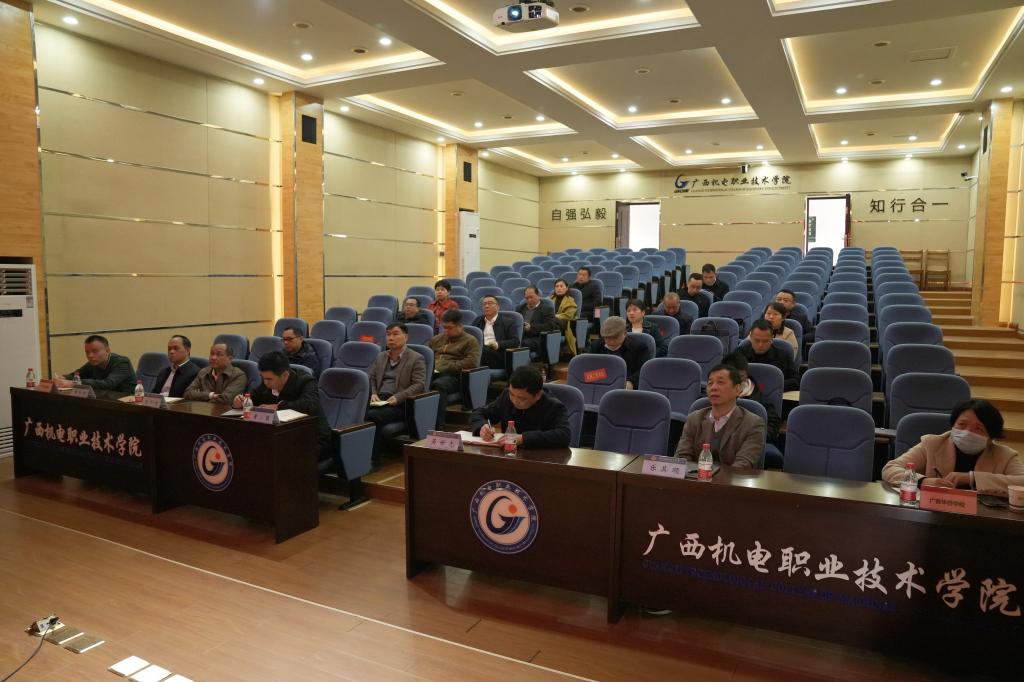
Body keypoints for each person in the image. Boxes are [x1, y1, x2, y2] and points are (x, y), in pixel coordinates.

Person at [882, 400, 1024, 496]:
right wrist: (923, 481)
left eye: (978, 428)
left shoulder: (1005, 455)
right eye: (962, 425)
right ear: (953, 425)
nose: (967, 432)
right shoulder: (932, 444)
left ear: (991, 435)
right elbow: (891, 469)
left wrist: (971, 478)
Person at [235, 351, 329, 459]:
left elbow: (310, 405)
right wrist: (241, 401)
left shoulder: (306, 381)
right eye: (263, 378)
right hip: (281, 437)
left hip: (312, 439)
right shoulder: (267, 382)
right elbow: (253, 396)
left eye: (269, 379)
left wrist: (279, 406)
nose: (265, 382)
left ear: (285, 375)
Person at [675, 364, 765, 468]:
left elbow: (743, 466)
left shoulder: (753, 423)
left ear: (737, 389)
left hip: (733, 478)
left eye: (720, 382)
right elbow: (682, 458)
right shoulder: (694, 419)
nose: (713, 388)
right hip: (695, 476)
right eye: (710, 383)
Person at [469, 366, 571, 449]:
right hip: (509, 454)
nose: (515, 401)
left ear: (538, 395)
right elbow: (478, 413)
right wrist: (482, 427)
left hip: (541, 459)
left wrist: (523, 438)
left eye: (522, 398)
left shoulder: (554, 406)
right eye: (512, 394)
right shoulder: (506, 396)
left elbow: (564, 435)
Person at [366, 323, 426, 458]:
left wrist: (399, 397)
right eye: (388, 335)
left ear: (406, 337)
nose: (391, 338)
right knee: (357, 412)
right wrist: (373, 393)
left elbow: (419, 384)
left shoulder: (416, 358)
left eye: (395, 334)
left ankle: (373, 458)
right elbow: (371, 378)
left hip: (400, 404)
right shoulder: (381, 356)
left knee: (371, 416)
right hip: (379, 400)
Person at [428, 309, 480, 428]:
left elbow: (471, 362)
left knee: (438, 385)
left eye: (450, 328)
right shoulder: (437, 339)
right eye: (444, 327)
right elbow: (427, 357)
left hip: (454, 376)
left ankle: (438, 426)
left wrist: (446, 367)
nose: (446, 331)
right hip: (433, 373)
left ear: (460, 326)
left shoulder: (470, 340)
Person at [722, 351, 780, 446]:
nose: (738, 381)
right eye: (733, 377)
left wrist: (757, 437)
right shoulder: (714, 394)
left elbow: (773, 424)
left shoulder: (759, 396)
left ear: (746, 374)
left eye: (741, 376)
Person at [587, 316, 652, 389]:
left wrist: (631, 381)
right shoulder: (596, 346)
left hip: (628, 386)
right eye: (607, 338)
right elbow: (588, 371)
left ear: (625, 333)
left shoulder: (639, 347)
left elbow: (644, 370)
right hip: (602, 385)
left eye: (615, 338)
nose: (611, 342)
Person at [56, 334, 137, 393]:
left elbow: (108, 384)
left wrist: (74, 384)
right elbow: (77, 374)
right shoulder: (93, 363)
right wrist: (63, 378)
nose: (90, 355)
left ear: (107, 351)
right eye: (87, 352)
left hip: (128, 403)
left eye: (95, 351)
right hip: (105, 400)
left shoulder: (122, 362)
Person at [738, 319, 799, 391]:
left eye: (765, 341)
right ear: (750, 337)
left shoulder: (783, 356)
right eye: (757, 340)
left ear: (772, 339)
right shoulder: (739, 354)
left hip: (774, 394)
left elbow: (796, 381)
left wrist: (771, 386)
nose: (760, 345)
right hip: (745, 394)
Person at [183, 342, 247, 404]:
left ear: (230, 359)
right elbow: (187, 394)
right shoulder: (204, 371)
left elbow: (225, 400)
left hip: (222, 411)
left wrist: (200, 397)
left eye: (219, 355)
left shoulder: (238, 376)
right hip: (201, 410)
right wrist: (210, 395)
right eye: (212, 354)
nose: (213, 358)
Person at [473, 295, 518, 370]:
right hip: (480, 351)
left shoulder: (508, 322)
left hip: (498, 354)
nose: (486, 306)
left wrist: (497, 344)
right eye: (484, 304)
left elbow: (515, 341)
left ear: (497, 306)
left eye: (490, 303)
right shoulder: (477, 320)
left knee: (480, 351)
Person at [516, 286, 557, 357]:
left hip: (537, 338)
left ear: (538, 295)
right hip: (521, 336)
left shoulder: (547, 309)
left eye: (531, 297)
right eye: (527, 298)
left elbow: (550, 326)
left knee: (523, 343)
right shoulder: (520, 308)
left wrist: (531, 327)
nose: (529, 300)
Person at [549, 277, 578, 355]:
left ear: (566, 288)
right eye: (557, 286)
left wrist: (555, 316)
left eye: (561, 286)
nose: (559, 288)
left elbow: (569, 316)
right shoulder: (549, 299)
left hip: (563, 325)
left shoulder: (570, 301)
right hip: (551, 322)